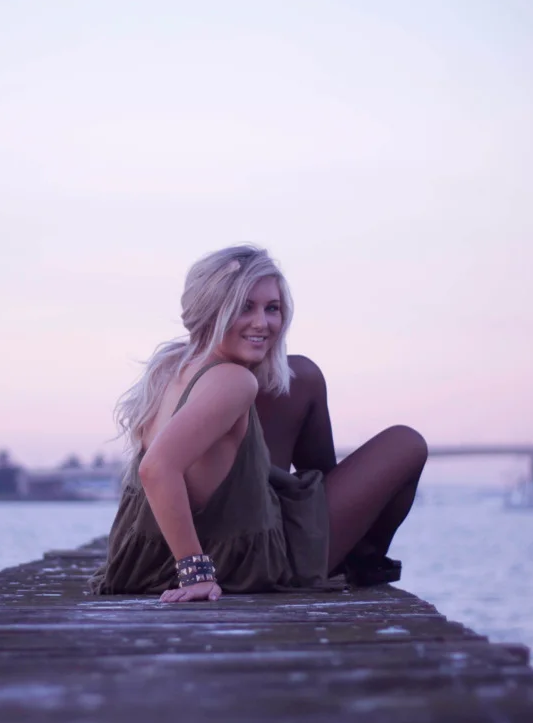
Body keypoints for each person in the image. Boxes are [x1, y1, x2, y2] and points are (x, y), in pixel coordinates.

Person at [88, 244, 427, 603]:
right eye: (243, 307)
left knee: (302, 374)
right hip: (234, 562)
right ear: (209, 309)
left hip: (145, 558)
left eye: (273, 308)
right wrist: (195, 573)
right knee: (407, 443)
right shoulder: (235, 382)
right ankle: (352, 553)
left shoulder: (170, 364)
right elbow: (156, 469)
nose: (262, 323)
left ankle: (328, 527)